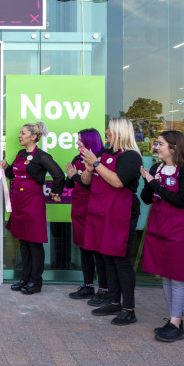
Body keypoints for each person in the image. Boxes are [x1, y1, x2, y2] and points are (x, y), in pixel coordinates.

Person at [140, 130, 184, 342]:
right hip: (159, 228)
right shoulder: (156, 168)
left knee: (179, 276)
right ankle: (175, 319)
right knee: (165, 275)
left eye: (160, 144)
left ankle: (176, 322)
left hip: (180, 230)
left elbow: (182, 201)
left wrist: (154, 183)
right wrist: (149, 181)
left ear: (174, 147)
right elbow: (147, 198)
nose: (156, 147)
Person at [80, 117, 143, 325]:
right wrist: (89, 169)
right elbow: (86, 183)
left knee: (121, 260)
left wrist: (96, 164)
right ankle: (113, 301)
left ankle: (128, 309)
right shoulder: (104, 154)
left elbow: (117, 181)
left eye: (109, 129)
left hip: (120, 214)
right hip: (101, 212)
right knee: (106, 257)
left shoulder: (131, 157)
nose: (105, 132)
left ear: (118, 132)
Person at [0, 121, 64, 295]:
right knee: (23, 242)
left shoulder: (42, 156)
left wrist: (55, 193)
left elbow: (58, 175)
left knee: (34, 243)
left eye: (23, 133)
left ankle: (36, 281)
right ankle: (25, 278)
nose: (19, 136)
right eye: (20, 133)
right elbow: (13, 175)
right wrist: (6, 168)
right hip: (19, 203)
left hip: (33, 204)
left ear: (33, 137)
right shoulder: (21, 153)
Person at [66, 128, 108, 302]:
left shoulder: (101, 159)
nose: (77, 143)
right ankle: (88, 285)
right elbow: (70, 184)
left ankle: (104, 289)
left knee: (98, 251)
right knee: (84, 249)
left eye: (80, 141)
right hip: (79, 210)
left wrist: (75, 176)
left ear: (90, 142)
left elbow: (91, 186)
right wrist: (72, 176)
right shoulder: (78, 159)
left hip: (94, 210)